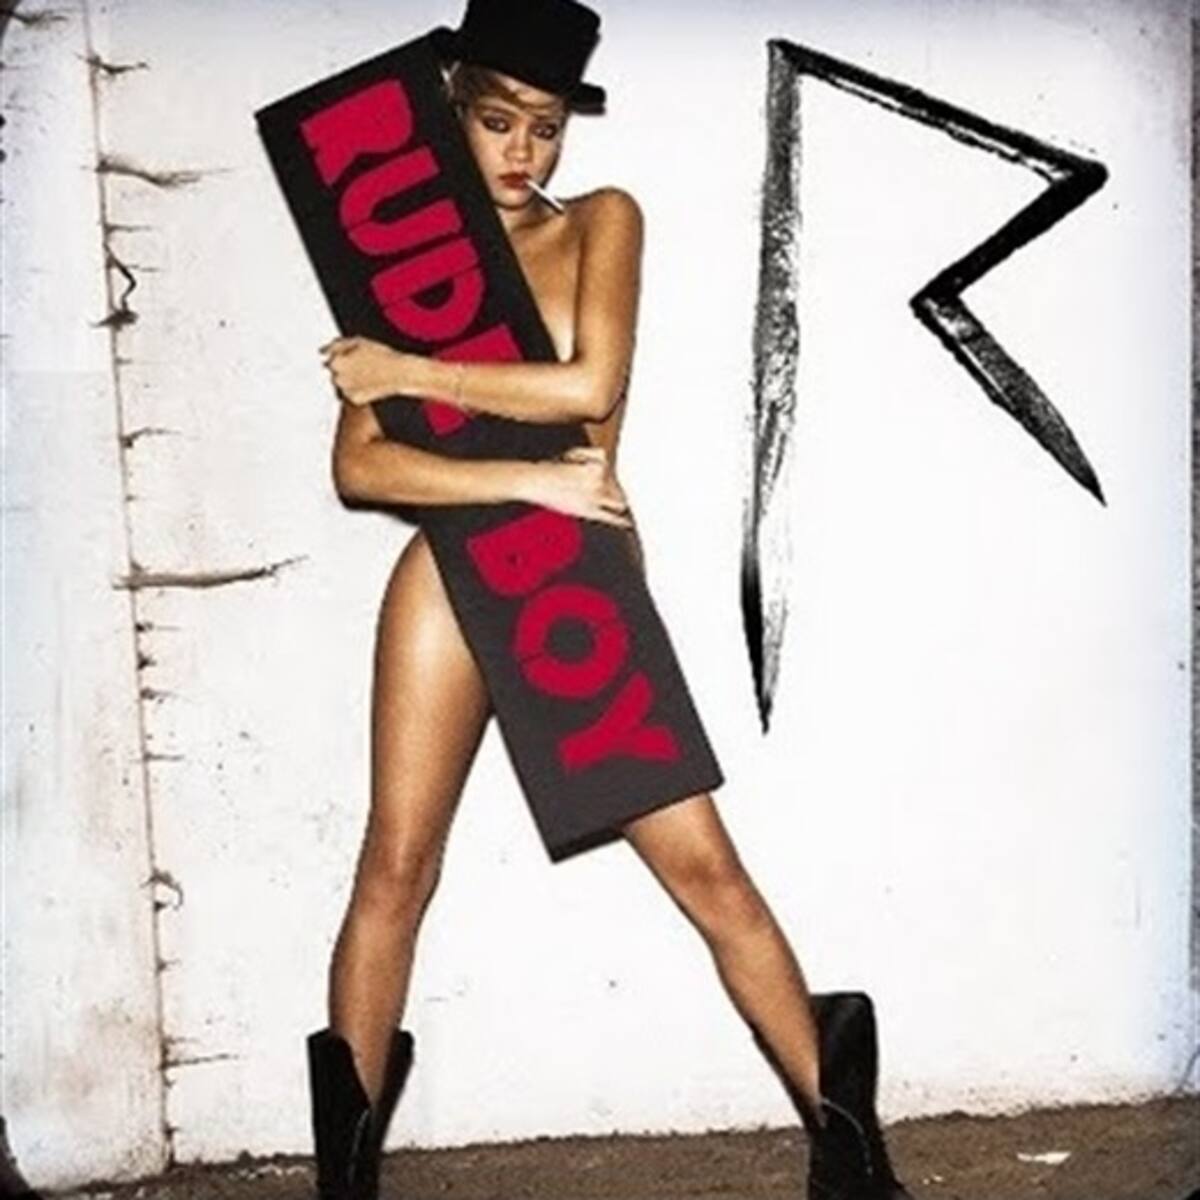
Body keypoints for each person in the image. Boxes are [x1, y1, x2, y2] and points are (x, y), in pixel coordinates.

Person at [306, 1, 914, 1198]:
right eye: (498, 121)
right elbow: (361, 467)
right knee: (395, 867)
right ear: (450, 116)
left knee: (708, 873)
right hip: (450, 571)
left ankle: (856, 1167)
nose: (524, 149)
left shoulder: (602, 220)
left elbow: (590, 384)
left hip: (567, 580)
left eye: (545, 126)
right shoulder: (402, 270)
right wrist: (525, 476)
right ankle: (346, 1184)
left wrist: (409, 371)